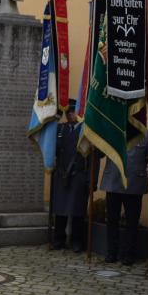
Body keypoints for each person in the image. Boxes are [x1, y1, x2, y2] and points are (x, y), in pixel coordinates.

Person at [99, 137, 147, 265]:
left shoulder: (145, 134)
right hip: (113, 181)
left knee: (132, 222)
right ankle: (111, 252)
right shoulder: (112, 129)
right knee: (111, 220)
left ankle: (129, 254)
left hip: (134, 183)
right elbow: (100, 153)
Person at [51, 101, 90, 252]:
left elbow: (92, 157)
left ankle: (76, 242)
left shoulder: (85, 131)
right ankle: (58, 239)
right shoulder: (60, 129)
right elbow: (52, 149)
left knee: (77, 211)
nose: (70, 115)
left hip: (78, 176)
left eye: (72, 112)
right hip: (61, 175)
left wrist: (90, 180)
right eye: (68, 112)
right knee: (60, 211)